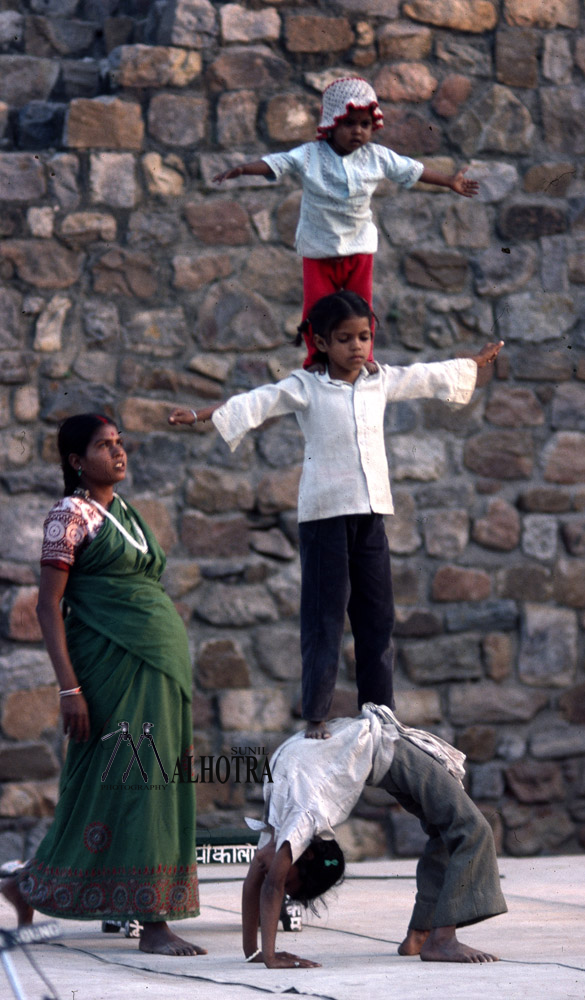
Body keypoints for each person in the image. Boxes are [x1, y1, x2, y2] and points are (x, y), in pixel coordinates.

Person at [169, 292, 503, 739]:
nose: (356, 347)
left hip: (371, 515)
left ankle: (380, 712)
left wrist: (475, 364)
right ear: (322, 343)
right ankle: (317, 715)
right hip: (326, 518)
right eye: (344, 339)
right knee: (325, 617)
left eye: (364, 336)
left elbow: (427, 376)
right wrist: (201, 415)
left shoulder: (379, 380)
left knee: (378, 617)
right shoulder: (306, 387)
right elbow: (258, 401)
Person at [0, 414, 206, 957]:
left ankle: (25, 885)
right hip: (108, 667)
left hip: (157, 664)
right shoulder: (69, 514)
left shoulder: (128, 516)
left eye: (120, 443)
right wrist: (69, 689)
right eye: (104, 446)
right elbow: (47, 606)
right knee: (130, 780)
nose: (119, 453)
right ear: (75, 461)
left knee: (158, 779)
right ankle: (153, 921)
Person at [212, 76, 479, 367]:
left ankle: (366, 357)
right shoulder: (310, 155)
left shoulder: (377, 157)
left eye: (365, 125)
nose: (358, 132)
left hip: (359, 248)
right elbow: (279, 162)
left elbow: (411, 170)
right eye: (349, 124)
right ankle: (316, 358)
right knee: (316, 308)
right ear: (331, 123)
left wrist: (449, 181)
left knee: (362, 307)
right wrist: (243, 169)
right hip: (319, 250)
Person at [241, 704, 507, 969]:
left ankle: (424, 934)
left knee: (471, 829)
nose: (275, 871)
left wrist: (270, 956)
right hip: (383, 757)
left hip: (389, 748)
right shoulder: (278, 828)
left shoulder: (298, 819)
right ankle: (439, 938)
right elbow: (259, 885)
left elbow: (270, 886)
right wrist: (256, 953)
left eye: (288, 877)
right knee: (461, 827)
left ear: (306, 853)